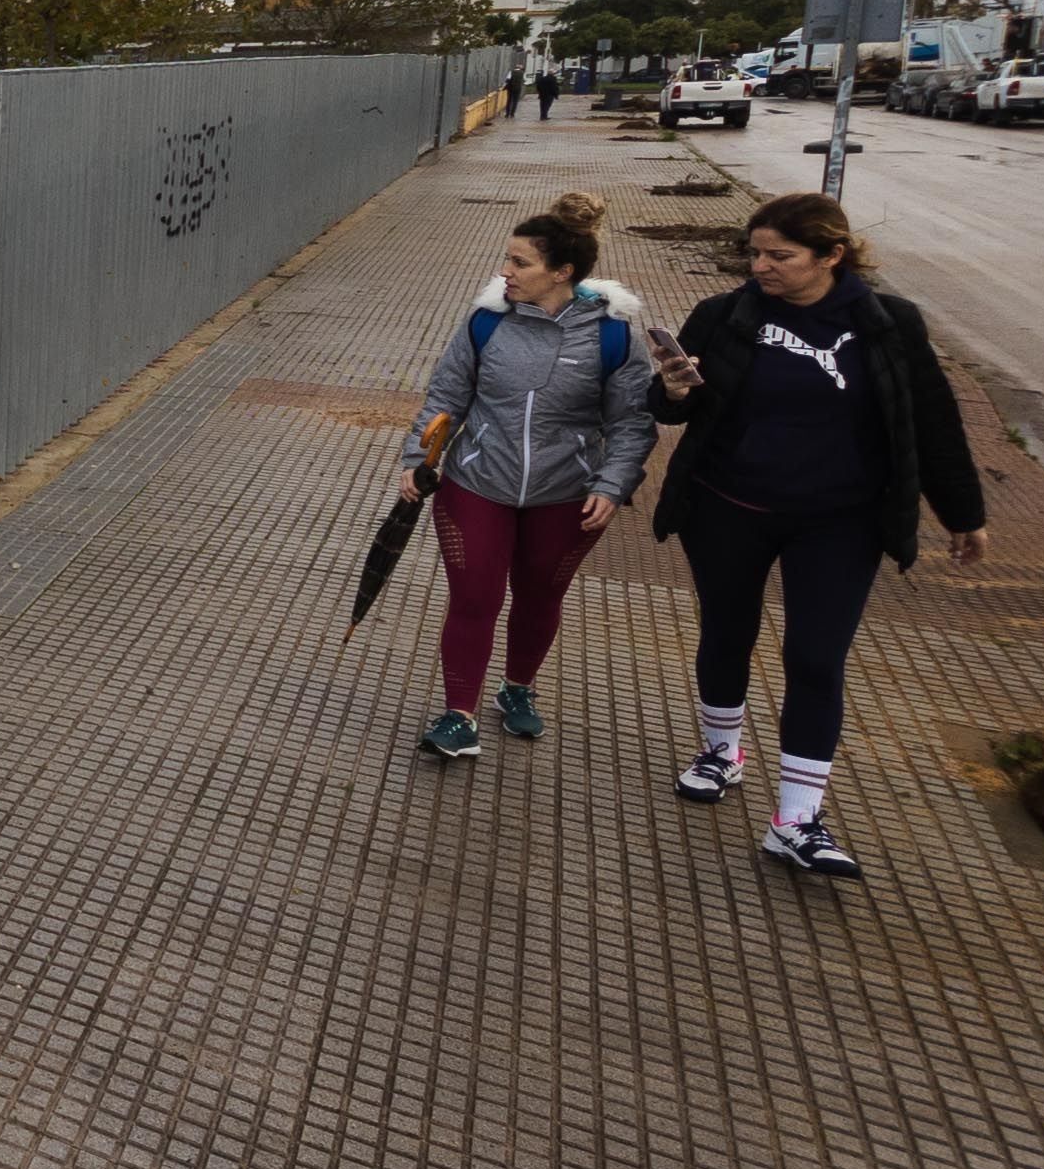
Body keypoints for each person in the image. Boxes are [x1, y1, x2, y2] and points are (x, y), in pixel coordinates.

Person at [646, 192, 987, 879]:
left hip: (841, 520)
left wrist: (963, 512)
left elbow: (932, 421)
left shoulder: (889, 325)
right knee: (727, 631)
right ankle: (722, 752)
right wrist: (675, 389)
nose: (761, 266)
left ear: (832, 255)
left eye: (780, 255)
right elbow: (667, 408)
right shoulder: (725, 315)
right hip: (727, 507)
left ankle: (796, 820)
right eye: (756, 252)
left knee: (816, 657)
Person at [395, 190, 654, 759]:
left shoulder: (612, 336)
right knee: (474, 597)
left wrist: (613, 485)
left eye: (520, 263)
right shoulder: (486, 324)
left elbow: (633, 425)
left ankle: (517, 691)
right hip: (476, 483)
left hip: (566, 495)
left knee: (539, 596)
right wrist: (421, 456)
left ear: (562, 272)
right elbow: (446, 396)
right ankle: (458, 714)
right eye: (506, 260)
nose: (505, 271)